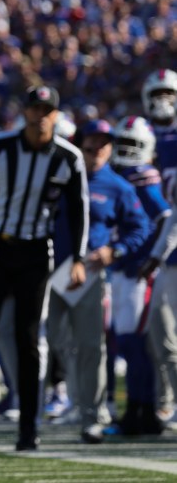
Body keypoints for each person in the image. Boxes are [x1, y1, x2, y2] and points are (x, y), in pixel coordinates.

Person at [0, 85, 89, 452]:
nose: (40, 115)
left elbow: (78, 209)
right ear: (25, 112)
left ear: (56, 115)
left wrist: (77, 257)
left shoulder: (68, 156)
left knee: (28, 340)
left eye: (47, 109)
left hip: (35, 253)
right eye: (35, 108)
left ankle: (29, 427)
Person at [46, 119, 149, 443]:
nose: (97, 151)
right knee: (52, 341)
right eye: (91, 145)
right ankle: (66, 402)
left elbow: (140, 227)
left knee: (91, 345)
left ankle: (93, 414)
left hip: (88, 273)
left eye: (104, 144)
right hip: (50, 268)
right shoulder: (59, 176)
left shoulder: (117, 186)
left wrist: (115, 250)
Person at [106, 116, 168, 436]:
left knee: (136, 345)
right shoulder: (122, 175)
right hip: (122, 270)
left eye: (133, 144)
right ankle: (137, 410)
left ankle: (143, 410)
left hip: (137, 272)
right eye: (123, 143)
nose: (127, 150)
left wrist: (150, 258)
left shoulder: (144, 177)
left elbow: (164, 217)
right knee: (128, 344)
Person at [138, 68, 177, 427]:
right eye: (158, 92)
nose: (163, 100)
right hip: (166, 253)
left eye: (170, 92)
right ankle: (167, 403)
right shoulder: (146, 138)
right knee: (160, 336)